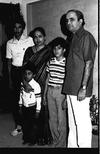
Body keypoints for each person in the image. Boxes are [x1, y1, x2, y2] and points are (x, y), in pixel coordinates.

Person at [62, 9, 97, 148]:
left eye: (72, 19)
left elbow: (89, 63)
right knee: (72, 123)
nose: (68, 22)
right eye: (67, 20)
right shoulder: (72, 37)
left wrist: (83, 88)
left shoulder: (86, 37)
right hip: (71, 88)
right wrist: (67, 94)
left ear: (81, 21)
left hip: (80, 89)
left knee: (82, 125)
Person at [22, 27, 53, 145]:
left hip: (43, 84)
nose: (37, 39)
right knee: (29, 111)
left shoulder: (49, 51)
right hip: (29, 85)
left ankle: (43, 137)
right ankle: (30, 137)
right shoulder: (29, 51)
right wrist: (25, 83)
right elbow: (24, 69)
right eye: (35, 36)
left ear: (45, 37)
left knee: (42, 111)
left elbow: (51, 70)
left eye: (40, 36)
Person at [6, 15, 34, 136]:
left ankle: (30, 124)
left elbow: (34, 56)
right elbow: (8, 62)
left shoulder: (29, 40)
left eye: (20, 27)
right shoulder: (9, 43)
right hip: (15, 72)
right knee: (17, 101)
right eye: (15, 27)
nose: (17, 30)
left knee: (29, 98)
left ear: (23, 28)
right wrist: (10, 79)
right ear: (13, 29)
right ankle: (19, 126)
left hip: (27, 72)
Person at [44, 37, 67, 147]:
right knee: (52, 119)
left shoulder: (66, 63)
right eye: (54, 48)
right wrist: (44, 94)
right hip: (50, 91)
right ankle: (55, 140)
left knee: (61, 119)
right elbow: (48, 78)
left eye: (59, 48)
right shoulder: (50, 62)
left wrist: (66, 97)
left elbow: (68, 80)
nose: (56, 50)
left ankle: (61, 144)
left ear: (64, 50)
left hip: (61, 91)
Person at [19, 63, 41, 145]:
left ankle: (33, 140)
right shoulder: (23, 84)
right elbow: (21, 95)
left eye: (29, 74)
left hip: (32, 108)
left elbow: (39, 99)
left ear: (34, 75)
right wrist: (20, 105)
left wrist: (37, 111)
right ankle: (26, 138)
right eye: (25, 73)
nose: (27, 75)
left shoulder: (36, 85)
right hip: (24, 107)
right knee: (25, 124)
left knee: (32, 125)